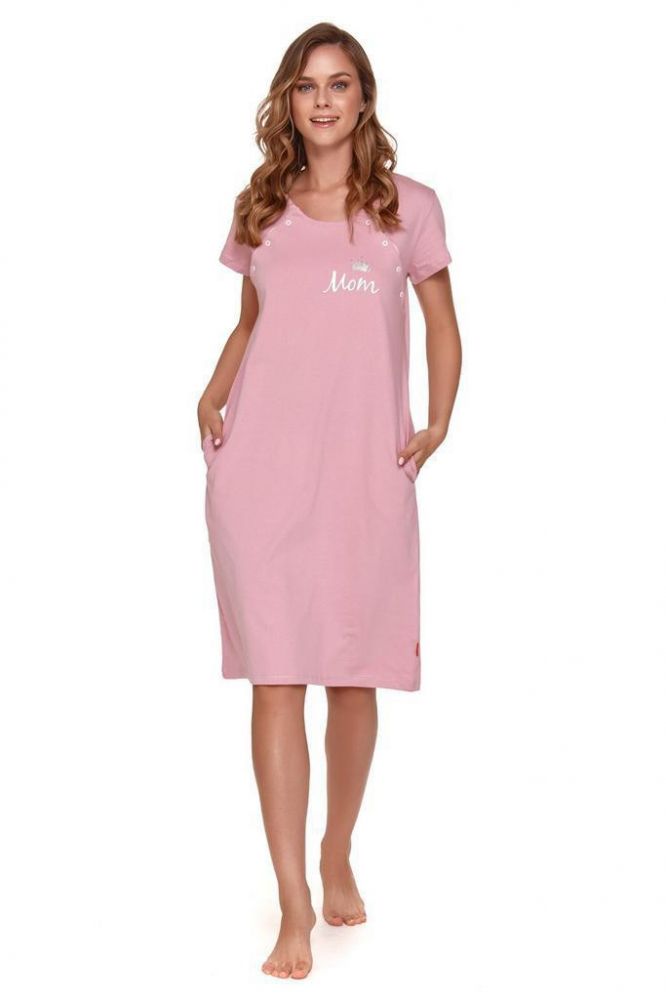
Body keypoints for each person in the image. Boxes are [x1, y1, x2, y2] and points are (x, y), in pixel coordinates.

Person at [197, 22, 462, 980]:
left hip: (361, 476)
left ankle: (337, 847)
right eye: (307, 85)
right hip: (261, 475)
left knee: (353, 677)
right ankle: (293, 903)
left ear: (362, 98)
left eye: (339, 84)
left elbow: (442, 324)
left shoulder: (408, 208)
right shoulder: (262, 206)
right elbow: (251, 324)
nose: (322, 100)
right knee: (276, 678)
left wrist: (438, 420)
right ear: (288, 100)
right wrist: (210, 391)